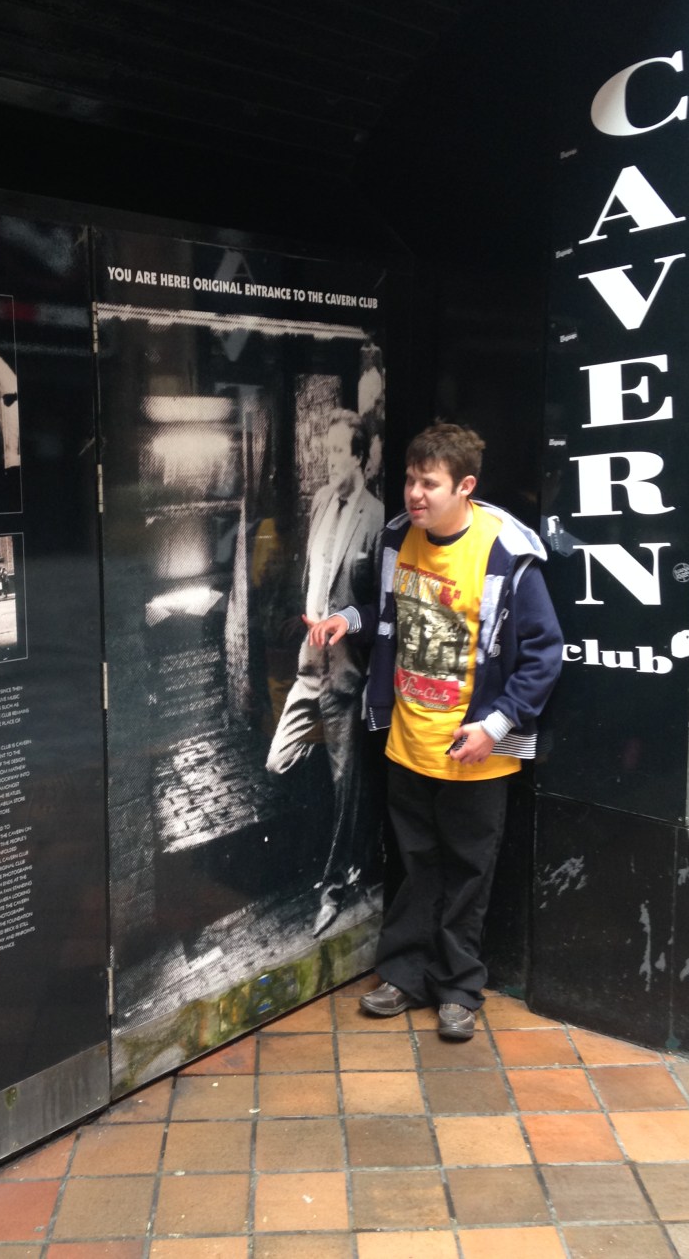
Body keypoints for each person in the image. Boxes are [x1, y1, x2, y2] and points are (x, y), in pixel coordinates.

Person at [305, 422, 562, 1039]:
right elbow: (391, 611)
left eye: (429, 484)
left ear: (464, 486)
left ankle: (459, 989)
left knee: (469, 873)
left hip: (476, 751)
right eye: (410, 480)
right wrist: (348, 619)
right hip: (409, 741)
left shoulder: (505, 553)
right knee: (415, 866)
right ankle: (405, 975)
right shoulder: (400, 537)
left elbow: (543, 653)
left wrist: (495, 726)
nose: (415, 494)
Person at [266, 408, 384, 936]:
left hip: (346, 674)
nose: (330, 461)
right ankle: (352, 828)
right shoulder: (318, 502)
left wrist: (350, 630)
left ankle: (334, 889)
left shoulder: (377, 518)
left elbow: (381, 610)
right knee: (279, 761)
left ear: (359, 458)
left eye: (338, 452)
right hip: (308, 666)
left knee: (344, 788)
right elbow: (311, 577)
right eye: (327, 451)